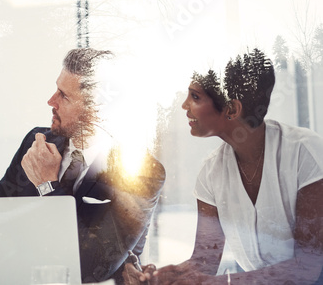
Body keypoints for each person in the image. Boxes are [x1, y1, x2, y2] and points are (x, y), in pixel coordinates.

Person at [123, 48, 323, 284]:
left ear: (232, 109)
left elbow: (308, 267)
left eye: (195, 97)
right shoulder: (211, 172)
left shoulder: (305, 152)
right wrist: (164, 276)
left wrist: (220, 283)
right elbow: (205, 262)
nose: (184, 105)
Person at [0, 48, 165, 284]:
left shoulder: (140, 171)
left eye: (64, 96)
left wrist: (47, 186)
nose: (51, 101)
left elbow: (92, 266)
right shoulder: (36, 143)